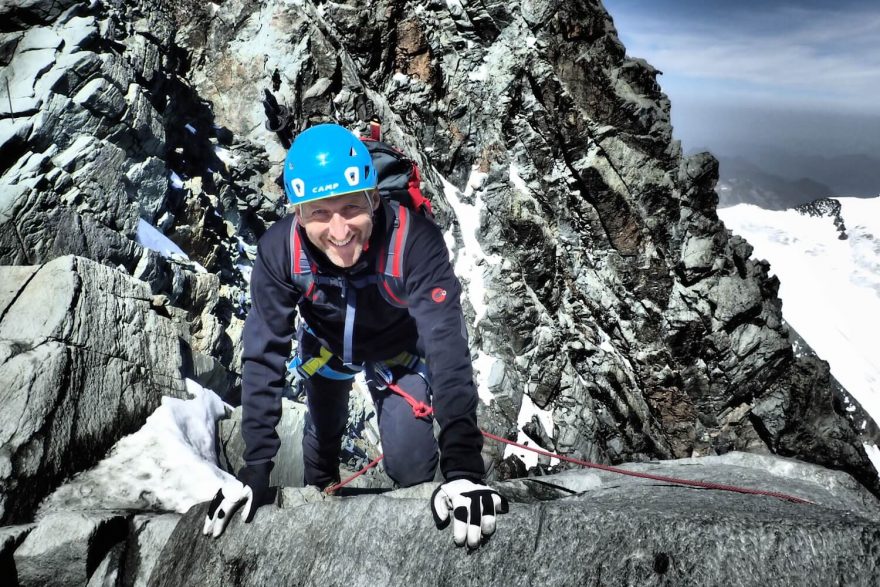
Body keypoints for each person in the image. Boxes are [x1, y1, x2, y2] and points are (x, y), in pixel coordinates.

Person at [203, 123, 507, 548]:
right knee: (323, 438)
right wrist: (254, 468)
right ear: (298, 214)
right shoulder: (280, 251)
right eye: (320, 213)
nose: (340, 231)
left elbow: (446, 345)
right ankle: (319, 513)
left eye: (351, 208)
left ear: (374, 198)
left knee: (412, 468)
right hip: (326, 349)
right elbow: (263, 352)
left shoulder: (413, 241)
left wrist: (463, 471)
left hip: (397, 355)